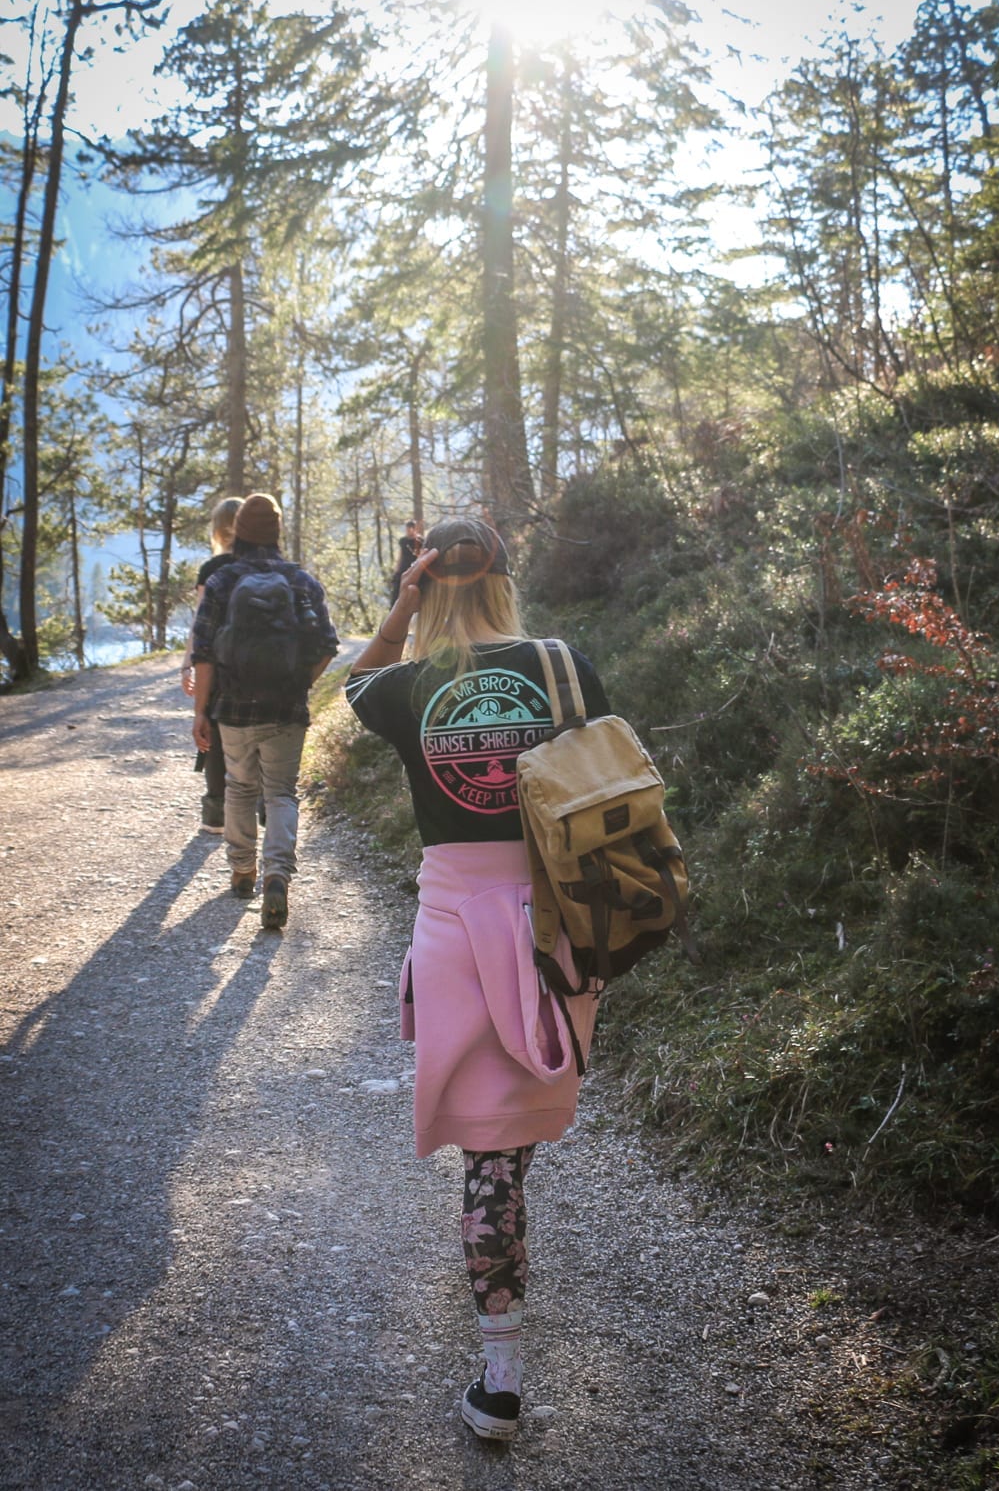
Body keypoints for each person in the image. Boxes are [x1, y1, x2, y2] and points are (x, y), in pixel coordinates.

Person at [344, 515, 609, 1442]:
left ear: (425, 587)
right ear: (504, 579)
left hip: (457, 930)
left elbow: (350, 683)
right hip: (556, 921)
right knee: (511, 1149)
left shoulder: (411, 684)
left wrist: (398, 613)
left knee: (489, 1156)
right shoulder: (562, 665)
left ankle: (502, 1375)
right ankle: (498, 1358)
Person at [191, 493, 338, 929]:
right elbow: (328, 645)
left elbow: (203, 652)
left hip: (232, 709)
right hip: (285, 708)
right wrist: (299, 683)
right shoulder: (301, 582)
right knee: (280, 792)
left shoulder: (222, 580)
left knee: (238, 786)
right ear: (277, 532)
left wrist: (201, 711)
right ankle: (277, 875)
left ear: (237, 531)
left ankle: (242, 870)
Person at [181, 496, 243, 832]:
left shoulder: (212, 568)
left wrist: (187, 665)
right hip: (257, 662)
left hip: (216, 663)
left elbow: (199, 623)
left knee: (214, 735)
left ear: (218, 528)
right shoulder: (266, 565)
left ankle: (216, 813)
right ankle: (260, 805)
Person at [388, 518, 423, 605]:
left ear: (414, 529)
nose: (408, 531)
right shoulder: (403, 541)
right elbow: (400, 556)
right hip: (404, 567)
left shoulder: (420, 541)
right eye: (407, 529)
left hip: (415, 567)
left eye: (410, 529)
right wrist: (396, 570)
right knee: (397, 590)